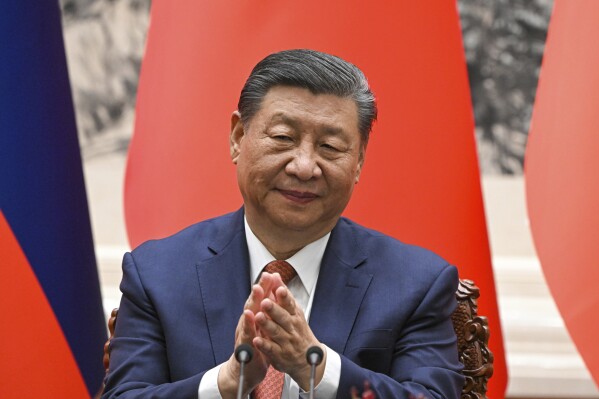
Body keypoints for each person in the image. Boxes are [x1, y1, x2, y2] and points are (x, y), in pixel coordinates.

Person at [102, 49, 464, 399]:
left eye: (331, 146)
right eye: (283, 139)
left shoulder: (417, 284)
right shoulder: (156, 274)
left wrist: (318, 370)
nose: (304, 166)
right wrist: (227, 383)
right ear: (238, 138)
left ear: (359, 161)